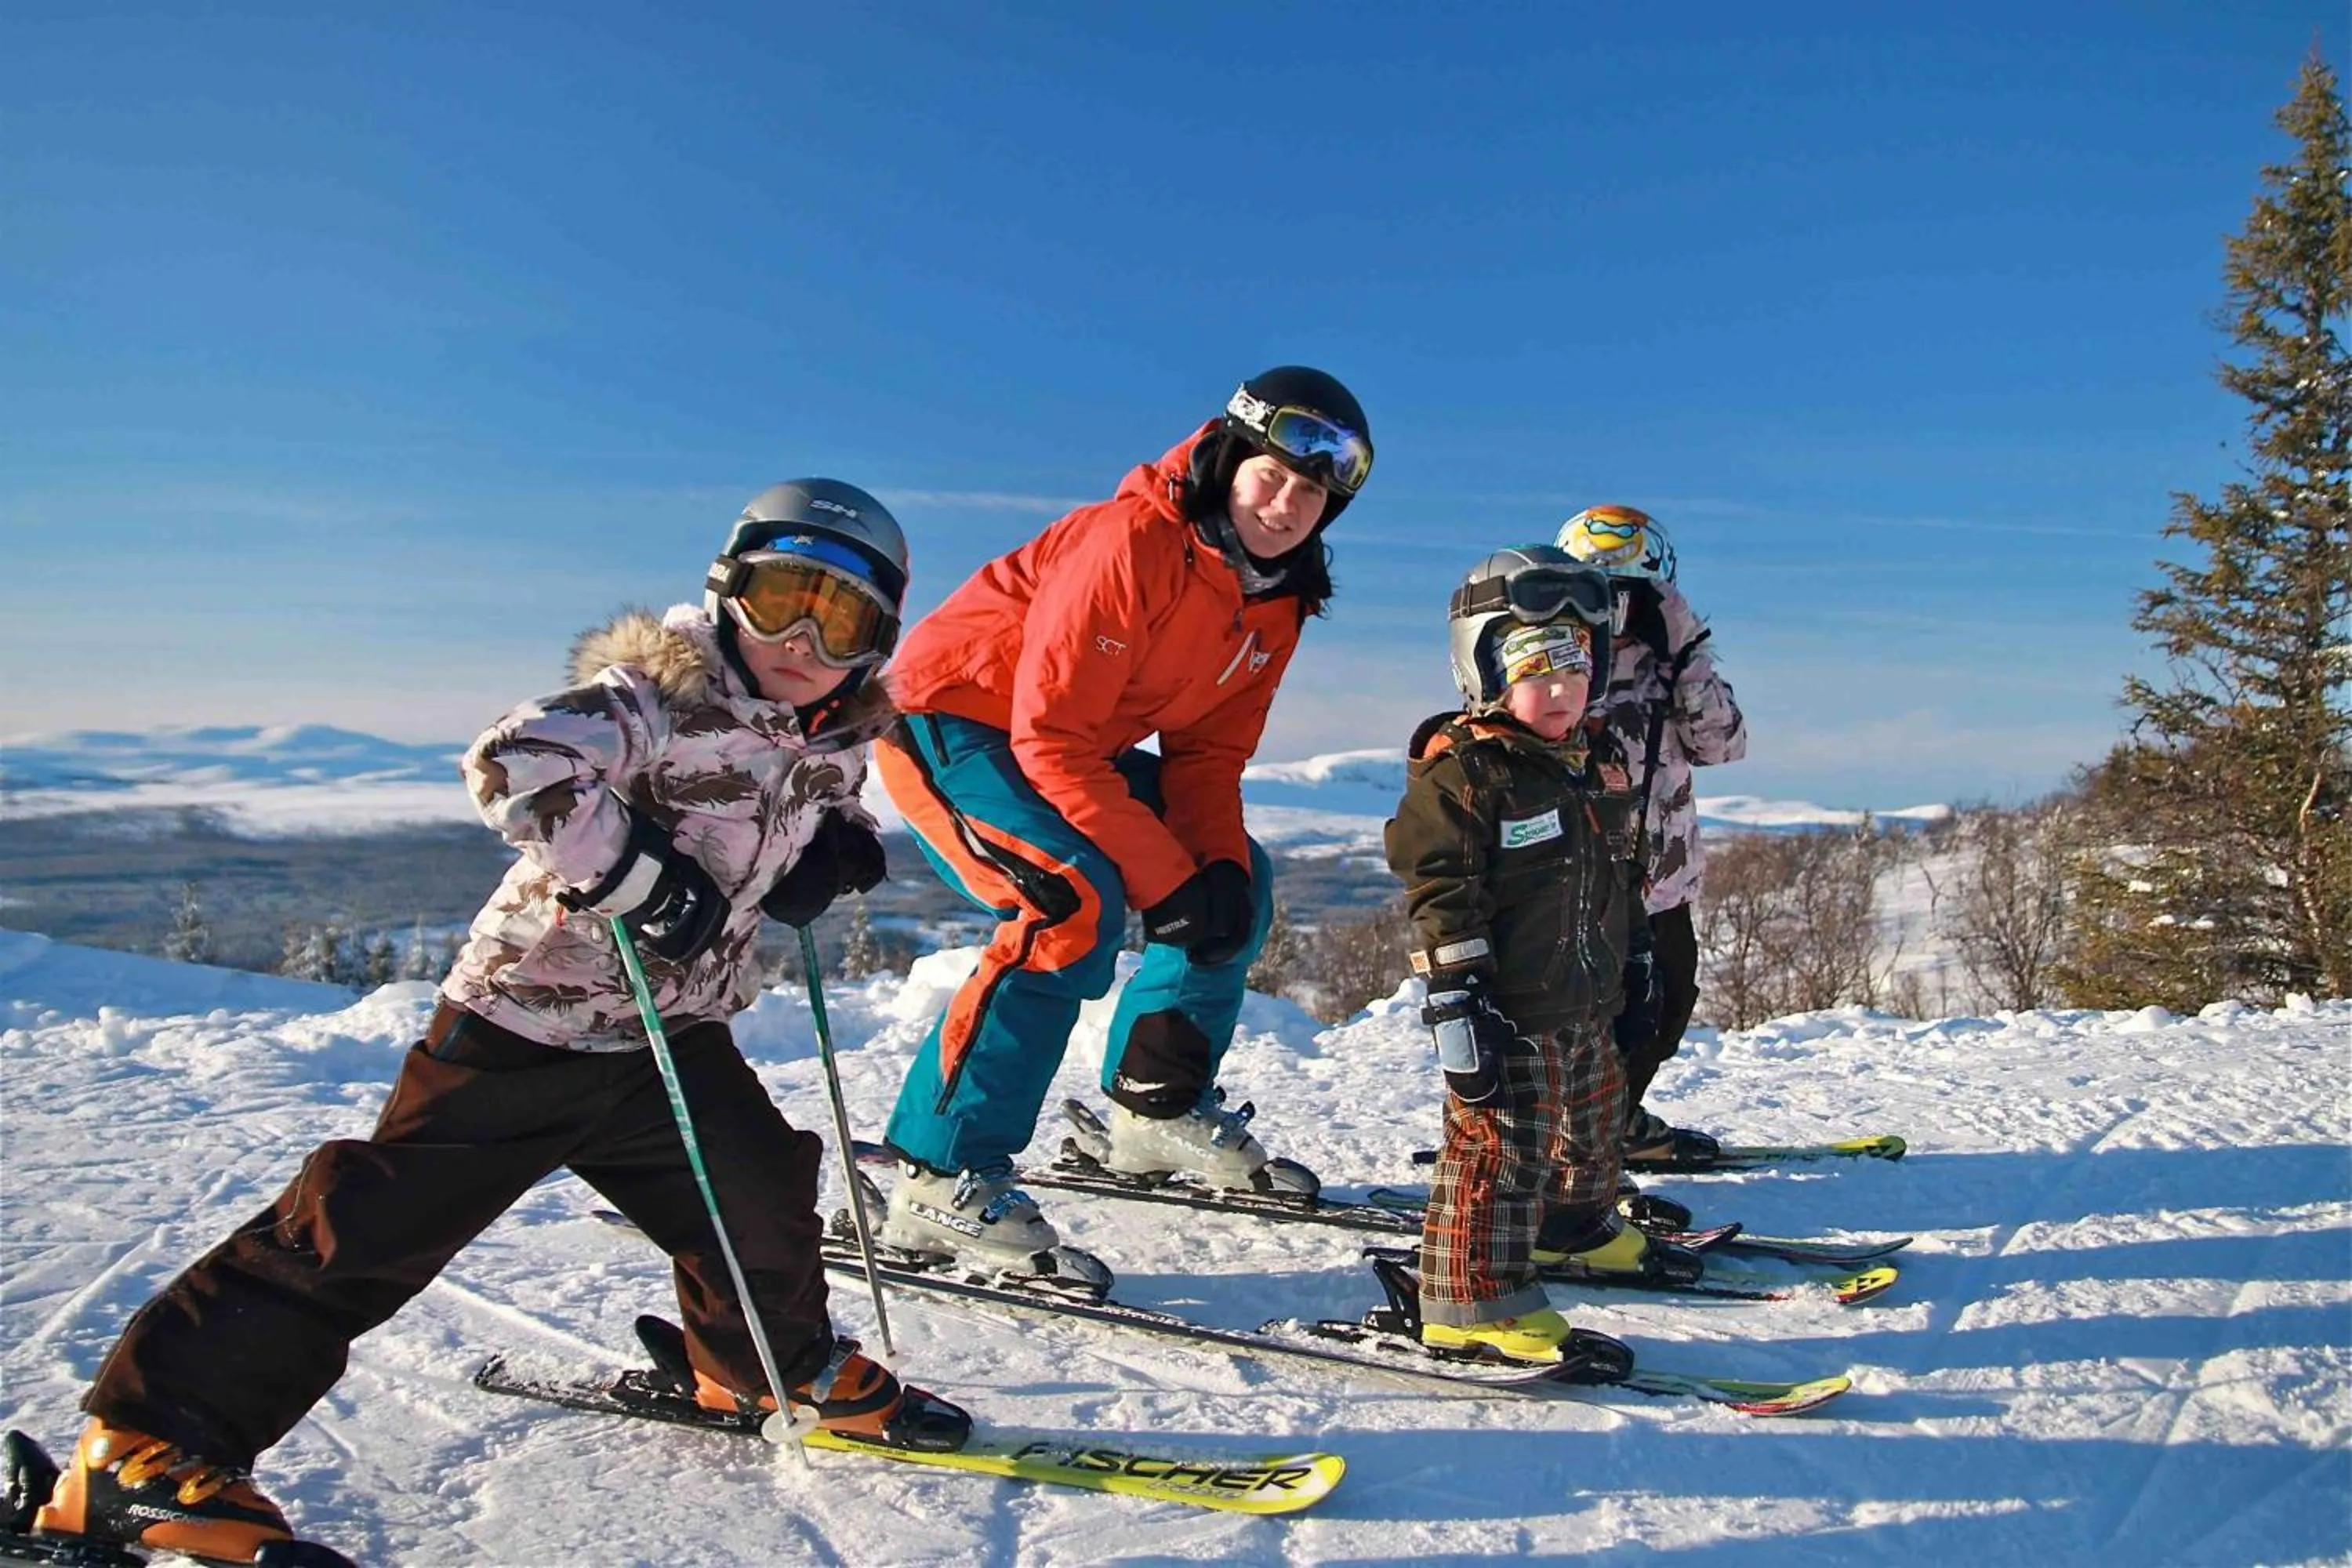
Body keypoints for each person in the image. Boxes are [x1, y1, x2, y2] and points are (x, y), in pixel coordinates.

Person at [27, 481, 967, 1565]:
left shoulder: (834, 733)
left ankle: (760, 1363)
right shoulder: (647, 701)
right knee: (374, 1223)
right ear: (724, 593)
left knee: (760, 1186)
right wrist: (639, 877)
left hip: (670, 1034)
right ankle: (143, 1447)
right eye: (777, 600)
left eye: (839, 619)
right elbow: (510, 764)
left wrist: (835, 843)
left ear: (876, 640)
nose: (802, 637)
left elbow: (799, 804)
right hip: (529, 1022)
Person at [870, 366, 1374, 1281]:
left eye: (1312, 492)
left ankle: (1153, 1107)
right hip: (948, 720)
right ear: (1229, 458)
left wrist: (1208, 871)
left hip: (1066, 741)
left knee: (1240, 886)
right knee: (1067, 904)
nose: (1288, 503)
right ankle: (935, 1174)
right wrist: (1165, 880)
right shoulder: (1131, 541)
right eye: (1273, 474)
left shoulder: (1278, 601)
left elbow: (1207, 757)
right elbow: (1051, 733)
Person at [1383, 546, 1669, 1363]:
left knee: (1594, 1124)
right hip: (1508, 1008)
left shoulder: (1597, 764)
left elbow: (1622, 876)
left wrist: (1638, 957)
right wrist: (1459, 998)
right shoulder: (1469, 777)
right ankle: (1468, 1297)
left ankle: (1572, 1226)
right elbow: (1441, 890)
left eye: (1576, 669)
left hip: (1585, 998)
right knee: (1500, 1148)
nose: (1562, 691)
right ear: (1486, 671)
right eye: (1537, 670)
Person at [1559, 505, 1748, 1167]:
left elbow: (1722, 743)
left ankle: (1615, 1123)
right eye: (1597, 592)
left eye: (1627, 593)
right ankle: (1570, 1140)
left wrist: (1686, 648)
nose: (1615, 609)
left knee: (1667, 1005)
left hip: (1662, 881)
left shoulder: (1674, 666)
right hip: (1579, 880)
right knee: (1590, 1017)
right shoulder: (1562, 664)